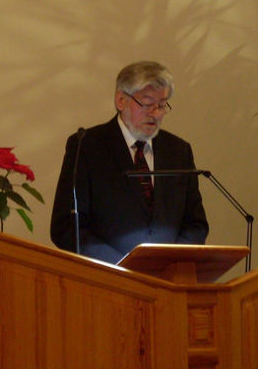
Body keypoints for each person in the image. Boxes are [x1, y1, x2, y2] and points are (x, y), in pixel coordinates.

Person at [51, 60, 209, 263]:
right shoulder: (86, 146)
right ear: (120, 101)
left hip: (169, 277)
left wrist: (169, 263)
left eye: (162, 105)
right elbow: (66, 227)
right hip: (107, 276)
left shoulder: (178, 151)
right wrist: (124, 266)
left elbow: (196, 224)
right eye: (147, 103)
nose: (156, 113)